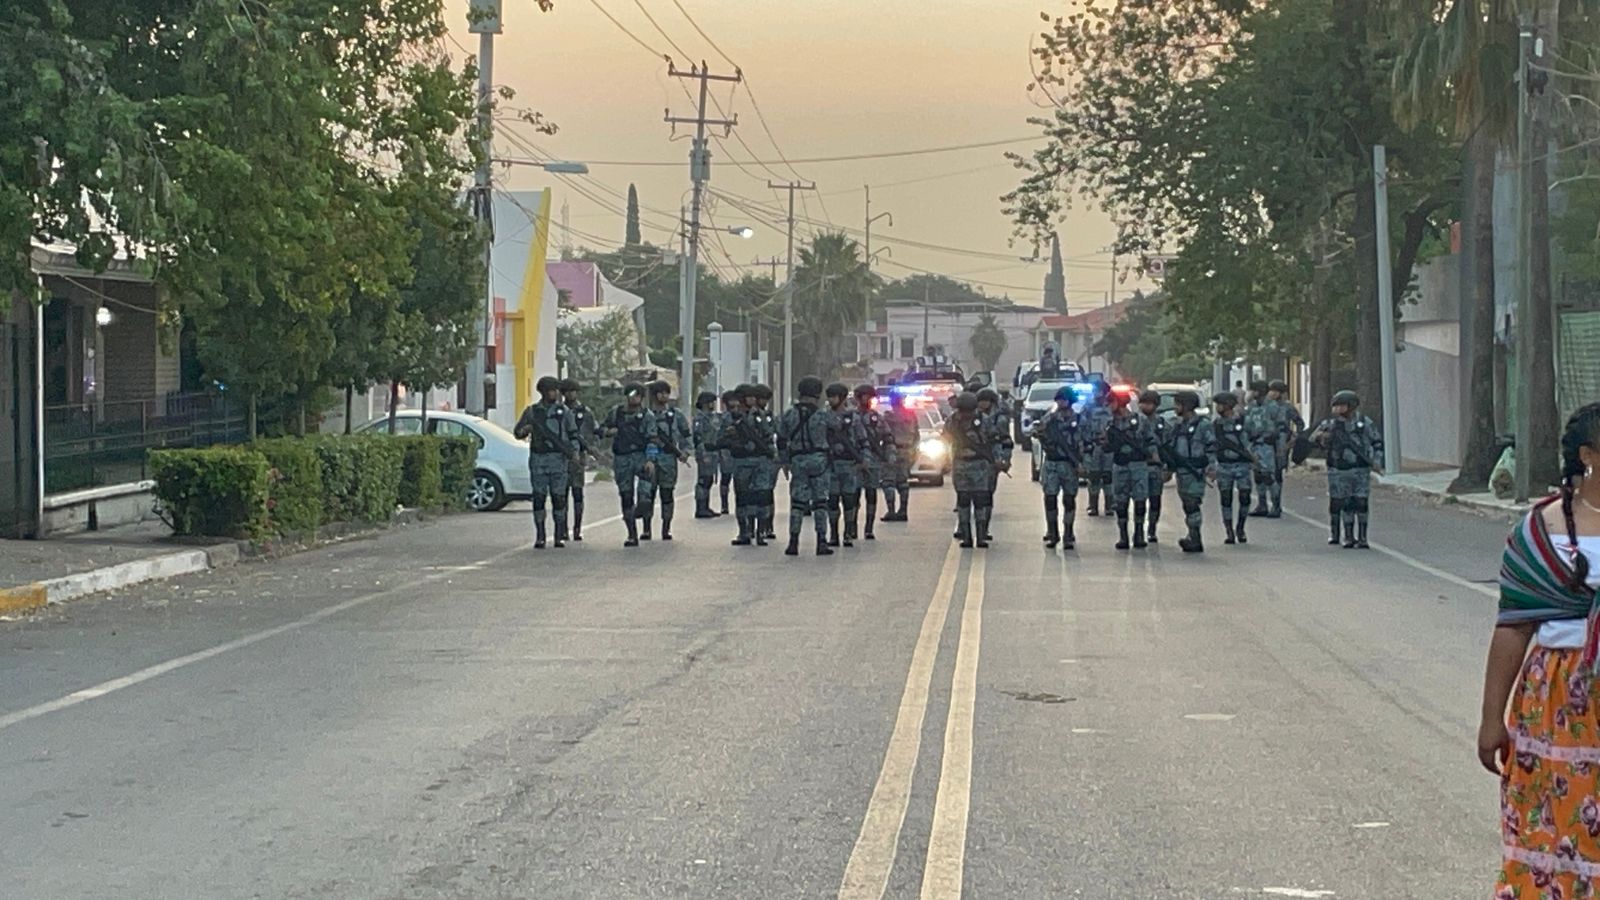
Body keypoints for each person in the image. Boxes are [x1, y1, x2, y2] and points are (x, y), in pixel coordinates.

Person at [1482, 402, 1600, 897]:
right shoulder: (1539, 532)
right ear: (1588, 455)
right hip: (1560, 701)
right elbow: (1513, 629)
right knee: (1560, 821)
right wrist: (1491, 719)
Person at [513, 376, 581, 549]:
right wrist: (526, 429)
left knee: (559, 499)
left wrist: (574, 453)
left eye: (556, 390)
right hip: (539, 459)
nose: (555, 393)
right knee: (539, 498)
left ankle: (559, 535)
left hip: (558, 459)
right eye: (552, 390)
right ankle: (540, 535)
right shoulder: (532, 412)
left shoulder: (564, 412)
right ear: (543, 392)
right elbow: (518, 432)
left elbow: (573, 434)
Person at [1310, 389, 1383, 548]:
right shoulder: (1330, 424)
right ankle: (1347, 536)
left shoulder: (1364, 422)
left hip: (1360, 469)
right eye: (1336, 406)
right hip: (1339, 470)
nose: (1337, 409)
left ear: (1351, 406)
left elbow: (1377, 442)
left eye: (1341, 405)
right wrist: (1322, 437)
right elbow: (1313, 439)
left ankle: (1362, 537)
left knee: (1361, 502)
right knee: (1344, 503)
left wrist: (1376, 461)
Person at [779, 376, 835, 557]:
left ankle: (793, 542)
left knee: (797, 503)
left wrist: (784, 461)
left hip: (798, 460)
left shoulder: (789, 414)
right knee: (820, 503)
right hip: (819, 461)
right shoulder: (823, 415)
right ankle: (821, 542)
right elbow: (836, 431)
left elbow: (781, 439)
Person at [597, 383, 655, 548]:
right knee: (626, 495)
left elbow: (652, 438)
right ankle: (632, 534)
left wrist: (650, 459)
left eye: (637, 395)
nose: (633, 398)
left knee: (645, 495)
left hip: (640, 456)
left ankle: (645, 522)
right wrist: (608, 432)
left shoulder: (647, 415)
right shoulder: (616, 413)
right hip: (622, 458)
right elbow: (601, 428)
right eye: (631, 395)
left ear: (641, 397)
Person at [1104, 387, 1158, 551]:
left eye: (1111, 402)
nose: (1109, 406)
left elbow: (1151, 441)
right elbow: (1105, 444)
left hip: (1138, 465)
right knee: (1120, 502)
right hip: (1120, 465)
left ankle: (1139, 534)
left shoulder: (1140, 420)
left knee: (1140, 501)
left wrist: (1155, 459)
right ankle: (1123, 536)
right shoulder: (1109, 423)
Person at [1031, 385, 1085, 550]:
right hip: (1052, 463)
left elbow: (1086, 442)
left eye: (1064, 400)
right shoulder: (1051, 418)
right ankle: (1053, 533)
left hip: (1069, 464)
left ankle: (1068, 533)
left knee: (1069, 500)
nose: (1061, 403)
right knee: (1050, 498)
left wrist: (1083, 463)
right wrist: (1040, 432)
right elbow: (1037, 431)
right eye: (1059, 400)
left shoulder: (1079, 420)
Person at [635, 380, 690, 541]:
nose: (664, 395)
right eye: (660, 392)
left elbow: (686, 434)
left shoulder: (675, 415)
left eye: (666, 392)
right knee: (648, 495)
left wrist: (685, 452)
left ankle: (666, 528)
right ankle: (646, 529)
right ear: (654, 395)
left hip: (668, 458)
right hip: (649, 459)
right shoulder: (644, 415)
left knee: (667, 494)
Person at [945, 391, 995, 549]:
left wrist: (999, 460)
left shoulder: (984, 420)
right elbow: (945, 438)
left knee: (980, 501)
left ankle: (981, 537)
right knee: (963, 500)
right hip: (960, 464)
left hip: (980, 464)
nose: (966, 415)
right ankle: (966, 537)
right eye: (963, 411)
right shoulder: (952, 421)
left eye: (969, 411)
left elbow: (995, 440)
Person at [1167, 390, 1216, 554]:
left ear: (1186, 406)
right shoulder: (1178, 425)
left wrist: (1211, 468)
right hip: (1182, 472)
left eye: (1177, 404)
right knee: (1187, 504)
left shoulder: (1203, 425)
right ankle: (1191, 535)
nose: (1175, 407)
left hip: (1196, 470)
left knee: (1192, 504)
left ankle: (1195, 539)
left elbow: (1212, 447)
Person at [721, 384, 769, 547]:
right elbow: (721, 438)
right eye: (749, 396)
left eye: (754, 396)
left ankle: (760, 532)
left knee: (761, 497)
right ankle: (744, 532)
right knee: (742, 498)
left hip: (760, 461)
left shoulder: (760, 415)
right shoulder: (731, 417)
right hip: (741, 462)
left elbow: (769, 435)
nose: (753, 399)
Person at [825, 383, 868, 547]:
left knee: (849, 500)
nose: (831, 400)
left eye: (834, 397)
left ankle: (848, 532)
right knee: (832, 501)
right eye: (829, 397)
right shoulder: (824, 417)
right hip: (831, 465)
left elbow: (863, 440)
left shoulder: (853, 418)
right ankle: (833, 534)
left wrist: (863, 460)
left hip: (849, 465)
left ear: (842, 398)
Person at [1210, 391, 1255, 545]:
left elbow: (1255, 437)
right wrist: (1211, 467)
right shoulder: (1216, 425)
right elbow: (1211, 447)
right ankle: (1229, 531)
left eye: (1220, 405)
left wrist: (1254, 458)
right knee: (1226, 498)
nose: (1218, 408)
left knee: (1245, 497)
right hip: (1224, 465)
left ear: (1228, 405)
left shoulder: (1244, 421)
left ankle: (1240, 527)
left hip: (1242, 465)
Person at [559, 378, 596, 542]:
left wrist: (591, 448)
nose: (571, 394)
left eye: (573, 391)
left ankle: (577, 529)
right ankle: (562, 529)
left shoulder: (585, 412)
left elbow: (593, 431)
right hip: (561, 456)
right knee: (561, 494)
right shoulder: (558, 411)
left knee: (577, 493)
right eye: (568, 391)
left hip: (579, 456)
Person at [976, 387, 1014, 543]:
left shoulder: (1000, 419)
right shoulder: (974, 417)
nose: (981, 404)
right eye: (980, 401)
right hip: (975, 460)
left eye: (984, 401)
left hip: (992, 459)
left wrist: (1005, 460)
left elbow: (1006, 441)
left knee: (987, 495)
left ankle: (984, 528)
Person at [855, 384, 888, 540]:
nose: (868, 400)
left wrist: (889, 454)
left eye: (871, 397)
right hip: (855, 461)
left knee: (871, 494)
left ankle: (869, 528)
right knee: (853, 495)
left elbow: (887, 437)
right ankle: (851, 527)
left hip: (873, 460)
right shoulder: (851, 417)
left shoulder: (877, 418)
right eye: (866, 396)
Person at [1137, 389, 1170, 543]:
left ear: (1156, 405)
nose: (1145, 406)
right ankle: (1139, 530)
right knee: (1139, 500)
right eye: (1143, 403)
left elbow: (1169, 447)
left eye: (1149, 403)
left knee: (1155, 499)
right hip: (1139, 466)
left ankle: (1152, 529)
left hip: (1156, 467)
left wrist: (1168, 468)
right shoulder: (1135, 422)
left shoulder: (1163, 424)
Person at [1245, 380, 1281, 517]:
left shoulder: (1273, 406)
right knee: (1258, 476)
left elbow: (1281, 426)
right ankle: (1262, 505)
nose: (1250, 393)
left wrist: (1280, 445)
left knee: (1268, 476)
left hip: (1267, 445)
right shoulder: (1252, 406)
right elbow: (1247, 425)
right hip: (1254, 445)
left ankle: (1276, 506)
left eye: (1253, 390)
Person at [883, 393, 919, 523]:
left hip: (892, 450)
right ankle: (903, 510)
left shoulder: (889, 416)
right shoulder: (911, 415)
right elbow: (917, 435)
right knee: (903, 482)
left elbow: (882, 433)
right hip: (907, 450)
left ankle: (891, 511)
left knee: (888, 482)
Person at [1268, 379, 1302, 512]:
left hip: (1282, 442)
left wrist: (1294, 438)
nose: (1272, 393)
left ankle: (1276, 504)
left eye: (1275, 391)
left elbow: (1299, 423)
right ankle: (1264, 503)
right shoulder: (1265, 406)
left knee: (1277, 473)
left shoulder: (1287, 407)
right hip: (1267, 441)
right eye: (1271, 390)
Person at [751, 384, 780, 540]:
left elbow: (775, 432)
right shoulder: (750, 415)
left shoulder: (768, 416)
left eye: (766, 399)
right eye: (762, 399)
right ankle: (751, 527)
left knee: (767, 493)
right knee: (752, 494)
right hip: (752, 457)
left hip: (768, 458)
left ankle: (767, 526)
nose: (764, 402)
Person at [1082, 381, 1115, 517]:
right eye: (1095, 390)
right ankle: (1093, 505)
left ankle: (1110, 505)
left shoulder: (1113, 406)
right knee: (1094, 476)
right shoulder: (1088, 407)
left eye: (1099, 390)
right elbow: (1082, 426)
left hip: (1109, 447)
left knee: (1108, 476)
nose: (1096, 393)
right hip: (1093, 446)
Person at [692, 391, 722, 519]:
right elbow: (697, 437)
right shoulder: (700, 418)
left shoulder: (712, 417)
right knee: (703, 481)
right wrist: (702, 453)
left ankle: (706, 506)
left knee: (709, 480)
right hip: (705, 451)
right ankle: (700, 508)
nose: (713, 404)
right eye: (711, 402)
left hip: (713, 452)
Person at [718, 391, 739, 515]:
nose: (734, 403)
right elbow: (718, 434)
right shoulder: (723, 418)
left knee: (739, 480)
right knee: (725, 478)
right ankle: (724, 505)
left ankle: (739, 504)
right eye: (732, 400)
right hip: (726, 450)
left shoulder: (742, 416)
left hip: (739, 450)